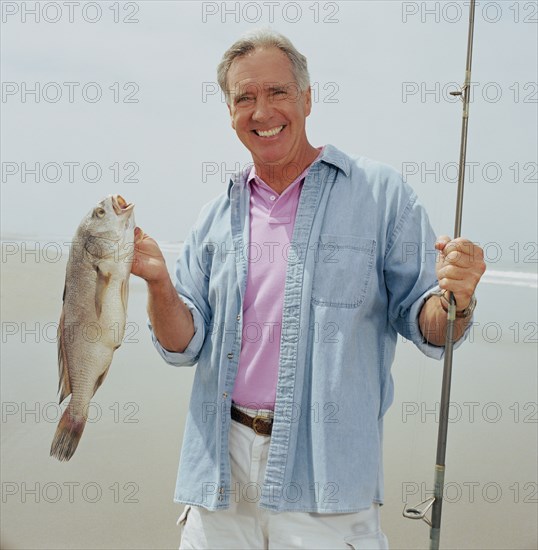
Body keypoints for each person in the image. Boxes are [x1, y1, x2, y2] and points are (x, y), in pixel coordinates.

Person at [131, 29, 486, 550]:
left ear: (307, 98)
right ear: (230, 112)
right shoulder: (213, 216)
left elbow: (430, 325)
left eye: (277, 93)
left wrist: (459, 297)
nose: (261, 110)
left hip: (328, 477)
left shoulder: (381, 193)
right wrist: (160, 284)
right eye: (244, 98)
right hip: (218, 473)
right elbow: (184, 346)